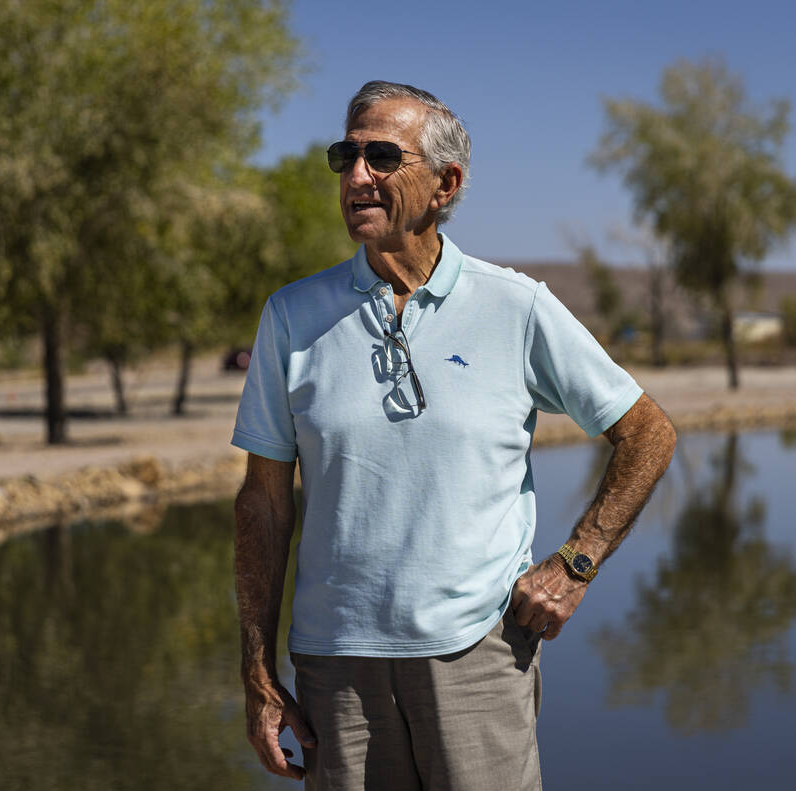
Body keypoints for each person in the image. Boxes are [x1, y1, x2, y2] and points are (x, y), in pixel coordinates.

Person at [232, 80, 676, 790]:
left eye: (381, 156)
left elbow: (647, 431)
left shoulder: (517, 306)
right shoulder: (290, 316)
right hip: (335, 674)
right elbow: (262, 503)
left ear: (446, 183)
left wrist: (575, 563)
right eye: (345, 155)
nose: (355, 176)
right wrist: (256, 671)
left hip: (478, 657)